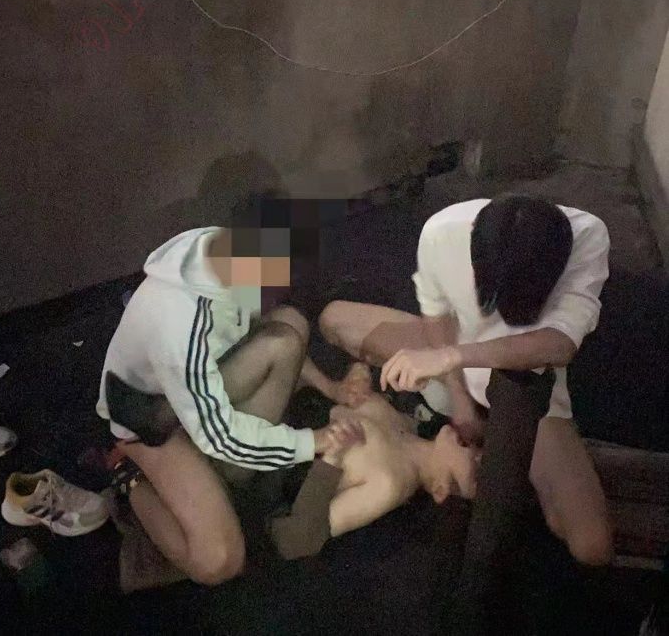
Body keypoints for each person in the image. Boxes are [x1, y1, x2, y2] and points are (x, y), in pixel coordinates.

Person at [318, 195, 614, 567]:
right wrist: (458, 396)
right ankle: (458, 397)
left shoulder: (587, 235)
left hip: (530, 381)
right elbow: (437, 316)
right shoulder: (444, 230)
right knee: (334, 321)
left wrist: (451, 358)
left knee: (591, 544)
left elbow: (559, 345)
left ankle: (521, 447)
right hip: (455, 353)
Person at [96, 193, 346, 587]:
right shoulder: (181, 326)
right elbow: (220, 436)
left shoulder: (227, 253)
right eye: (278, 279)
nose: (281, 288)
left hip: (188, 393)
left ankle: (223, 477)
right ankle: (128, 476)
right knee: (219, 560)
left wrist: (330, 386)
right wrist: (311, 441)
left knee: (290, 329)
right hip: (149, 422)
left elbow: (260, 319)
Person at [269, 363, 478, 559]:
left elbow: (296, 540)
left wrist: (333, 457)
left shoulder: (389, 485)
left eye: (477, 467)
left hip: (267, 451)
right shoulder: (412, 422)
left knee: (286, 342)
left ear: (440, 489)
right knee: (290, 336)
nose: (476, 452)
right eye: (482, 449)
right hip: (289, 387)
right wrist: (358, 373)